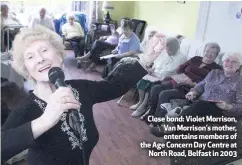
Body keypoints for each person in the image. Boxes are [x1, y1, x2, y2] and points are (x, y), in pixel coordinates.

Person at [1, 26, 147, 165]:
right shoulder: (27, 109)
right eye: (30, 57)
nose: (40, 59)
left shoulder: (79, 88)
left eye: (44, 50)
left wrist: (147, 59)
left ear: (59, 54)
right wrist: (44, 121)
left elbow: (113, 87)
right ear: (26, 68)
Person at [150, 52, 242, 137]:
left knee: (200, 104)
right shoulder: (214, 72)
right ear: (223, 62)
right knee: (193, 104)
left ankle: (168, 128)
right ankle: (170, 132)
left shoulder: (240, 82)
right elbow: (201, 85)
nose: (229, 63)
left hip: (220, 112)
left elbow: (241, 106)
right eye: (227, 60)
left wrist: (227, 107)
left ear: (239, 66)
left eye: (234, 62)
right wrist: (193, 92)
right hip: (200, 104)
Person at [141, 42, 222, 123]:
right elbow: (180, 69)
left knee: (164, 94)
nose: (209, 54)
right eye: (207, 51)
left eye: (213, 53)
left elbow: (209, 85)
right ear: (204, 51)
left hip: (190, 89)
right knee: (156, 88)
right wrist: (182, 75)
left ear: (216, 55)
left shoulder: (216, 69)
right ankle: (151, 112)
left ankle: (157, 121)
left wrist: (193, 83)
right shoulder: (196, 59)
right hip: (178, 81)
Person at [131, 37, 187, 117]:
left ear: (176, 48)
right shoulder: (164, 51)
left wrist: (157, 74)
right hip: (155, 73)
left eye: (170, 50)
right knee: (142, 79)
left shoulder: (182, 57)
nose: (167, 52)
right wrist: (152, 69)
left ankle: (143, 106)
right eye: (167, 49)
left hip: (166, 77)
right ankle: (140, 101)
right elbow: (157, 62)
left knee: (152, 85)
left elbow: (172, 71)